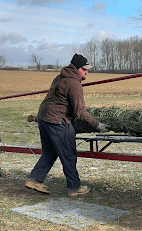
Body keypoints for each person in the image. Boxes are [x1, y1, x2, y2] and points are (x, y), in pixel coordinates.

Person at [25, 54, 109, 196]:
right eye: (84, 69)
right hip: (58, 121)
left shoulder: (60, 77)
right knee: (69, 154)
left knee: (50, 151)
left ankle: (35, 179)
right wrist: (98, 125)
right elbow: (80, 112)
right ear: (77, 68)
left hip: (44, 118)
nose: (86, 72)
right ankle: (74, 187)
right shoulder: (74, 83)